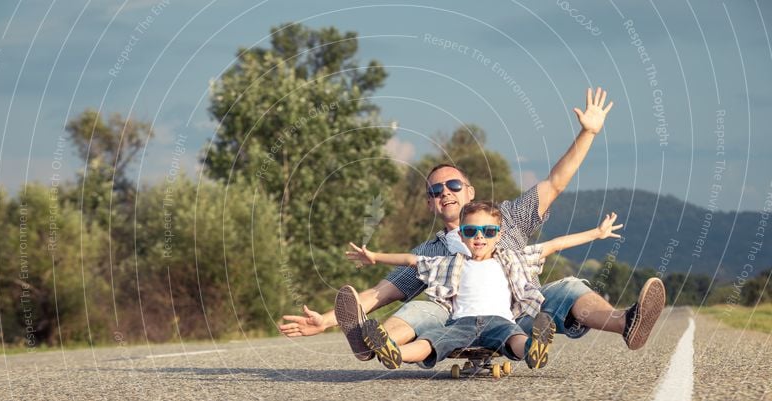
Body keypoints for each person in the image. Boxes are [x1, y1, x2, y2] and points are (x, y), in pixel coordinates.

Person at [279, 87, 666, 360]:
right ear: (431, 204)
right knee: (418, 310)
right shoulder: (429, 253)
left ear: (469, 190)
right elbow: (376, 296)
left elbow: (555, 183)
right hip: (456, 319)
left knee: (568, 287)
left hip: (522, 312)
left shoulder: (508, 219)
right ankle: (372, 343)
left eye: (452, 184)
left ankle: (626, 323)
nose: (444, 192)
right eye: (435, 190)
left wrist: (588, 132)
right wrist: (327, 322)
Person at [342, 202, 624, 370]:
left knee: (514, 338)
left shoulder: (511, 259)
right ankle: (393, 352)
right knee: (434, 342)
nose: (479, 237)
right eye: (471, 231)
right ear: (462, 236)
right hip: (462, 322)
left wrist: (596, 234)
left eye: (488, 232)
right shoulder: (451, 263)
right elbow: (411, 260)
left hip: (500, 320)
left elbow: (554, 244)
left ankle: (534, 349)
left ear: (498, 235)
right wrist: (375, 257)